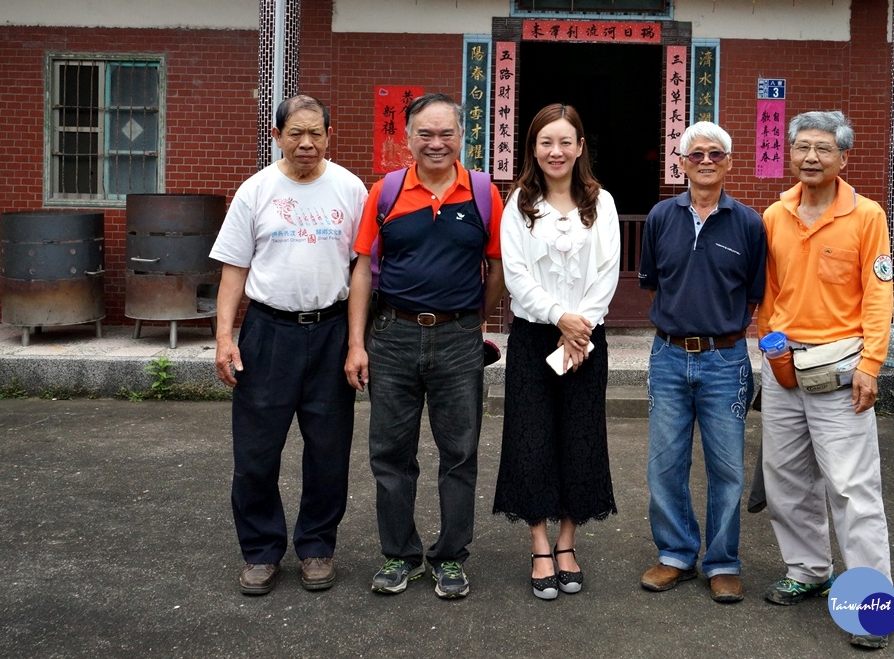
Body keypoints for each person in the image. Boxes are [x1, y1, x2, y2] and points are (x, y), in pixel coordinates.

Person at [346, 92, 505, 600]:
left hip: (459, 338)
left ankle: (451, 557)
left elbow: (498, 267)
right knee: (391, 453)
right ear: (408, 138)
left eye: (446, 134)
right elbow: (363, 272)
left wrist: (473, 319)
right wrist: (357, 344)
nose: (436, 143)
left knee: (459, 453)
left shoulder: (483, 193)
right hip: (392, 336)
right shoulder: (387, 192)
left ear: (462, 137)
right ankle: (399, 554)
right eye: (425, 134)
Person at [211, 93, 367, 596]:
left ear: (328, 135)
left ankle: (317, 546)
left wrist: (357, 341)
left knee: (328, 450)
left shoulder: (349, 189)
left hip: (331, 331)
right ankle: (260, 551)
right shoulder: (255, 191)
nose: (306, 143)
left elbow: (362, 270)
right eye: (295, 133)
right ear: (276, 135)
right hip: (268, 333)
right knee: (256, 452)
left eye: (316, 133)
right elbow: (234, 269)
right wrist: (224, 337)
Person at [756, 110, 894, 650]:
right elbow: (769, 290)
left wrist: (871, 364)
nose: (810, 157)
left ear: (843, 158)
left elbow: (879, 293)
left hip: (842, 371)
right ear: (789, 153)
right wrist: (770, 346)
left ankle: (869, 604)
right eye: (801, 148)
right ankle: (809, 570)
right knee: (786, 480)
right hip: (785, 366)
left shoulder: (867, 216)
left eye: (822, 149)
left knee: (852, 488)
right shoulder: (775, 214)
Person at [492, 104, 621, 601]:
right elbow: (516, 275)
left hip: (586, 339)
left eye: (566, 141)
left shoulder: (601, 203)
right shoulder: (519, 203)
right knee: (532, 438)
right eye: (546, 142)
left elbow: (607, 269)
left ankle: (568, 542)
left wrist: (580, 325)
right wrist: (558, 318)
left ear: (580, 146)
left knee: (580, 437)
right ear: (533, 148)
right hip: (534, 338)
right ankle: (540, 544)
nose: (556, 151)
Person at [637, 121, 766, 604]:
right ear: (682, 163)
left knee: (727, 466)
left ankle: (722, 561)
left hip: (725, 359)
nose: (706, 161)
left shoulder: (750, 223)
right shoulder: (660, 217)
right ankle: (674, 553)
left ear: (730, 163)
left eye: (716, 154)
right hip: (668, 355)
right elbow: (652, 281)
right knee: (664, 463)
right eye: (696, 155)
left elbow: (755, 292)